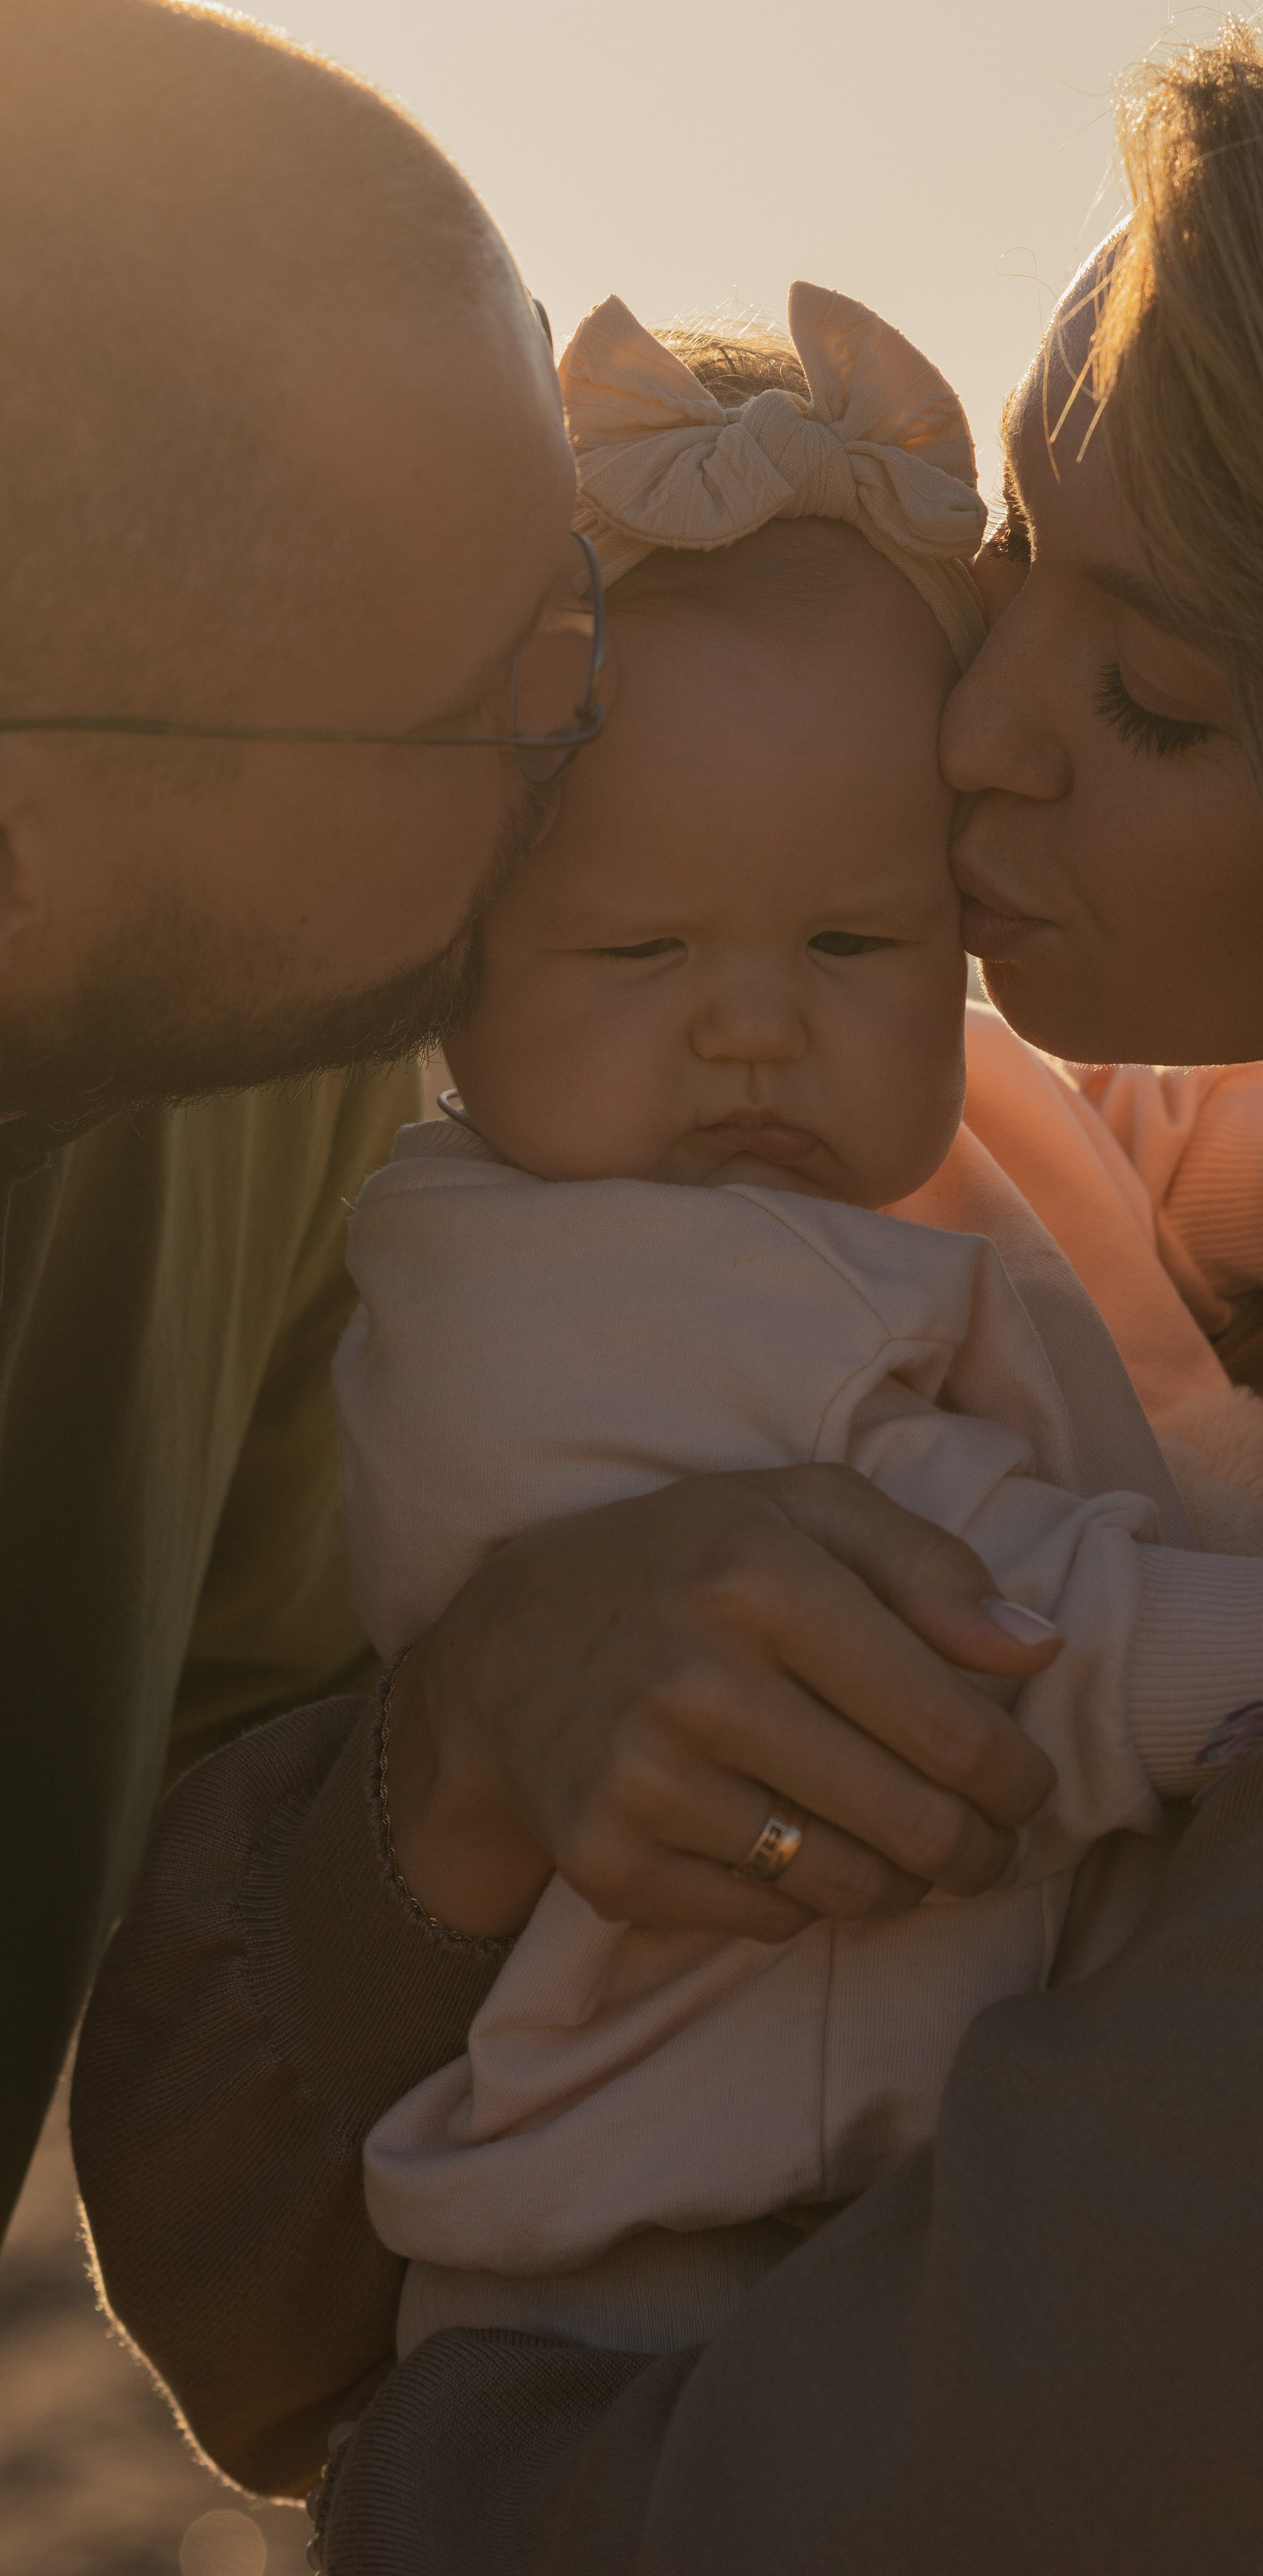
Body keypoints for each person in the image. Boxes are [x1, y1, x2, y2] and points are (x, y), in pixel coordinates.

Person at [72, 0, 1263, 2565]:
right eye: (1009, 589)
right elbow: (208, 2232)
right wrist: (483, 1736)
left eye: (1150, 692)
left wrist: (407, 2476)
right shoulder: (1164, 1295)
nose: (967, 747)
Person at [341, 289, 1263, 2361]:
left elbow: (1074, 1135)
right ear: (456, 952)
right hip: (678, 2232)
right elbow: (952, 1607)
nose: (751, 1022)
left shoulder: (869, 1101)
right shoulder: (540, 1299)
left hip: (920, 2101)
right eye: (635, 948)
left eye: (859, 937)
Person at [0, 0, 581, 2235]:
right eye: (482, 707)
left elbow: (262, 1801)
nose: (590, 729)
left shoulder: (288, 1048)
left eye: (578, 586)